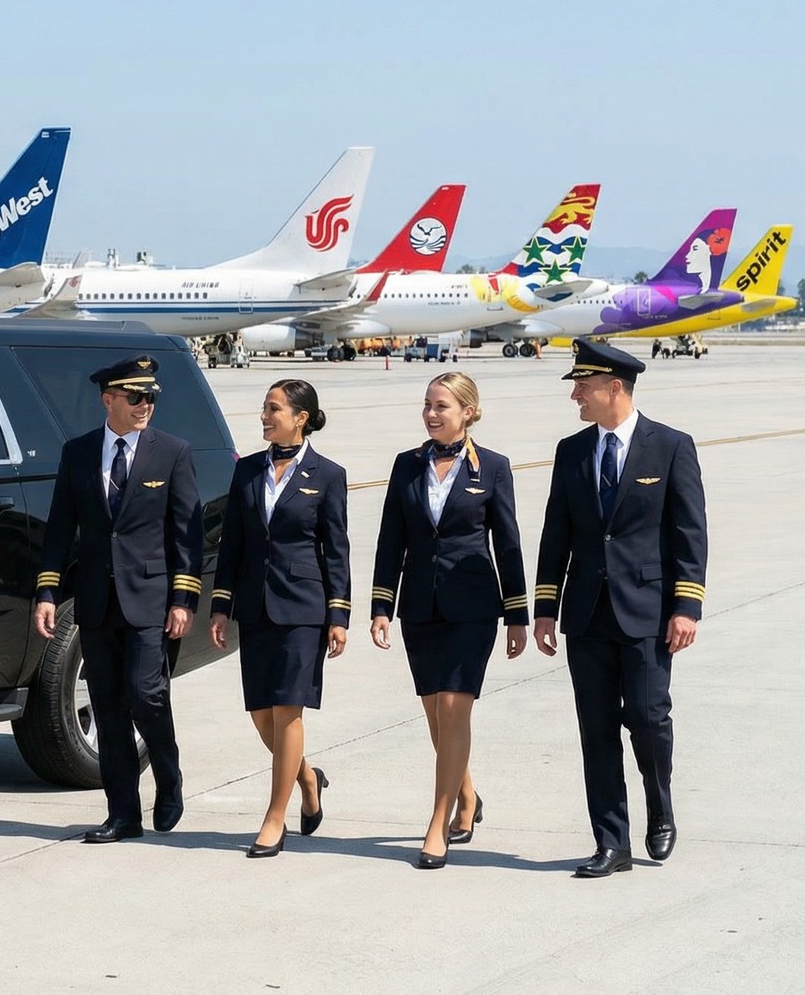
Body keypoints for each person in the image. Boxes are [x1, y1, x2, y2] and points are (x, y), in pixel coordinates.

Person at [534, 341, 708, 878]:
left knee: (650, 719)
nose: (575, 396)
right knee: (597, 728)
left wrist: (687, 606)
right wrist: (546, 606)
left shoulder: (671, 446)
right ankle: (612, 842)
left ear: (615, 388)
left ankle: (661, 805)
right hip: (587, 613)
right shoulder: (572, 450)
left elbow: (689, 532)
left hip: (649, 612)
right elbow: (555, 531)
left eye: (582, 387)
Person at [34, 354, 205, 844]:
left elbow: (184, 535)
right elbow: (61, 527)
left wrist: (183, 599)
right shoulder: (78, 452)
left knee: (147, 695)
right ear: (108, 399)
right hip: (95, 600)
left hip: (151, 598)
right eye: (135, 397)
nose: (145, 405)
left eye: (150, 397)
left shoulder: (171, 452)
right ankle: (123, 814)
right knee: (108, 709)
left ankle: (168, 775)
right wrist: (47, 590)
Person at [369, 373, 529, 869]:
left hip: (473, 607)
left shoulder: (494, 468)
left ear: (468, 411)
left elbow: (508, 543)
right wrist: (381, 605)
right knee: (436, 713)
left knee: (456, 708)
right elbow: (390, 539)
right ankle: (468, 794)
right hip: (419, 606)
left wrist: (518, 615)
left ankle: (437, 823)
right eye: (427, 405)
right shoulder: (407, 465)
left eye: (442, 406)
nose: (432, 414)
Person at [209, 379, 350, 857]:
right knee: (260, 712)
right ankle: (309, 778)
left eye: (273, 409)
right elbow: (233, 544)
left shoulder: (327, 474)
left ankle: (275, 817)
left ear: (300, 416)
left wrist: (338, 613)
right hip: (255, 605)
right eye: (264, 409)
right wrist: (221, 605)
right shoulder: (247, 470)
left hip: (303, 608)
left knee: (288, 709)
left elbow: (336, 549)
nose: (265, 416)